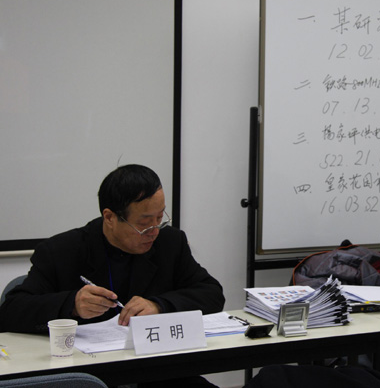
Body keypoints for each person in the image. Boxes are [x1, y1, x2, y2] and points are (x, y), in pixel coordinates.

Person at [0, 164, 224, 386]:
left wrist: (159, 306)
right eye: (144, 224)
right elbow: (11, 311)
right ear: (109, 217)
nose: (154, 231)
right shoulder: (62, 251)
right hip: (89, 373)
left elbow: (211, 293)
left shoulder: (170, 242)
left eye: (160, 217)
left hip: (158, 372)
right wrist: (72, 304)